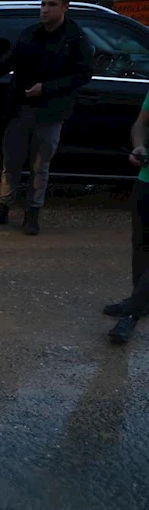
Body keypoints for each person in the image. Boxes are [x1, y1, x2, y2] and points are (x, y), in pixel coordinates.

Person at [0, 0, 92, 236]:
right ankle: (2, 206)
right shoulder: (30, 34)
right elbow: (8, 60)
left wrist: (47, 88)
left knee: (40, 165)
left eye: (51, 4)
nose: (45, 10)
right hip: (21, 108)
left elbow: (82, 74)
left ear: (64, 7)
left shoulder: (75, 37)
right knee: (11, 161)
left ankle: (32, 212)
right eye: (42, 4)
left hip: (51, 111)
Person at [105, 100, 149, 344]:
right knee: (141, 244)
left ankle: (132, 312)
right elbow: (141, 123)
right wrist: (140, 145)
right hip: (146, 180)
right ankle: (138, 299)